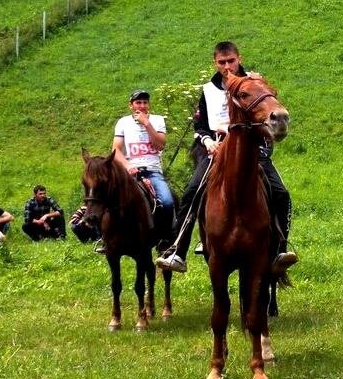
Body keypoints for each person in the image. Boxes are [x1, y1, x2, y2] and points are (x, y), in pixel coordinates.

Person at [157, 41, 296, 274]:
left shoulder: (254, 82)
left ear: (239, 58)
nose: (227, 66)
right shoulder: (208, 90)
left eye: (231, 60)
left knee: (281, 193)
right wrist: (208, 142)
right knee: (192, 192)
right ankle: (177, 249)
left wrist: (263, 146)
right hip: (216, 151)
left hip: (252, 150)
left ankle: (280, 247)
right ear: (215, 62)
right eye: (222, 62)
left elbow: (268, 117)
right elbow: (200, 126)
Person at [112, 89, 174, 229]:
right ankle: (105, 238)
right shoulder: (123, 122)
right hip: (129, 173)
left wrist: (147, 124)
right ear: (131, 105)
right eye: (138, 102)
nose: (141, 106)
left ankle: (167, 237)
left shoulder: (157, 120)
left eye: (145, 102)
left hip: (153, 172)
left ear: (149, 105)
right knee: (107, 199)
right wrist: (128, 166)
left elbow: (159, 146)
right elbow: (115, 150)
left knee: (167, 202)